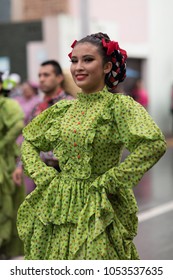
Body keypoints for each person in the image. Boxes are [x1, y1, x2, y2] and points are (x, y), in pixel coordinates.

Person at [17, 32, 166, 260]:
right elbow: (29, 142)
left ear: (107, 66)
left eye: (88, 60)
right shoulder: (63, 110)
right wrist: (44, 176)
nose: (78, 67)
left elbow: (153, 144)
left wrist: (112, 180)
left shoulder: (118, 106)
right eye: (74, 60)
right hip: (59, 202)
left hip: (99, 204)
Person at [13, 60, 75, 191]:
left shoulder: (71, 105)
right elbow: (28, 138)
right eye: (39, 75)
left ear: (59, 78)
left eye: (46, 75)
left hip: (66, 174)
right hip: (41, 174)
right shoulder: (37, 108)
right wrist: (19, 166)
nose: (41, 79)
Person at [0, 72, 25, 259]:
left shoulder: (9, 105)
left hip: (6, 163)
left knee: (8, 206)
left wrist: (2, 144)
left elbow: (18, 125)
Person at [12, 81, 41, 194]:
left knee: (26, 165)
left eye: (27, 88)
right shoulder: (18, 100)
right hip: (16, 136)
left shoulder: (37, 101)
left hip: (28, 135)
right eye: (23, 89)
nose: (25, 91)